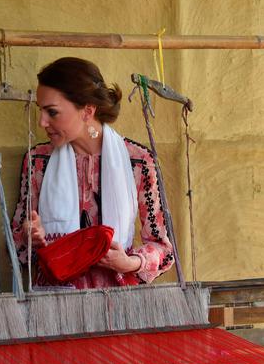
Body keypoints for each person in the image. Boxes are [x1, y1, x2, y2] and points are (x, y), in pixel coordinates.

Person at [10, 57, 174, 288]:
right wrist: (32, 237)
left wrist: (129, 262)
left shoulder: (137, 161)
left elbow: (163, 249)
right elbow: (17, 239)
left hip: (118, 305)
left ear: (87, 110)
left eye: (52, 112)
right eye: (41, 111)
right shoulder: (38, 161)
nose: (42, 122)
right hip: (55, 303)